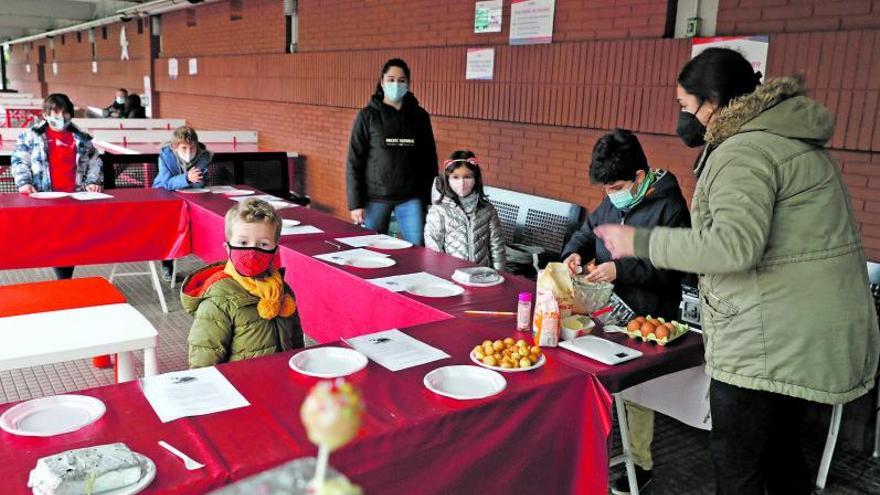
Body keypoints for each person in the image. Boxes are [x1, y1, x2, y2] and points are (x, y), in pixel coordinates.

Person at [594, 48, 880, 495]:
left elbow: (732, 246)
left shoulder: (743, 150)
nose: (684, 118)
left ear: (713, 102)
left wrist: (638, 242)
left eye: (686, 107)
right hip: (799, 331)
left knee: (738, 463)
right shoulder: (788, 139)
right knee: (781, 455)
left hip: (766, 337)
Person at [561, 129, 690, 494]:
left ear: (638, 177)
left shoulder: (670, 206)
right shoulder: (614, 202)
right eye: (605, 189)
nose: (611, 195)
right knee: (597, 376)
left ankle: (639, 464)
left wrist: (622, 269)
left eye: (616, 186)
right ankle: (594, 450)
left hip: (649, 312)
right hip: (608, 307)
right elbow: (589, 232)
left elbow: (672, 265)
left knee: (636, 394)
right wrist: (573, 252)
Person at [181, 198, 304, 368]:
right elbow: (204, 360)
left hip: (279, 379)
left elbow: (296, 340)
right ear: (228, 247)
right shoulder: (218, 300)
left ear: (275, 250)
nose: (252, 251)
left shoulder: (283, 290)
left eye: (263, 244)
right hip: (240, 386)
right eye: (243, 243)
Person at [11, 93, 103, 280]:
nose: (61, 117)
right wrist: (24, 182)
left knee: (68, 242)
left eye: (65, 112)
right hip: (44, 197)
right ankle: (60, 280)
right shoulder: (31, 136)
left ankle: (64, 280)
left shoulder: (81, 138)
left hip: (74, 197)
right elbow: (19, 160)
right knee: (50, 241)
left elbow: (94, 161)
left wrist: (93, 182)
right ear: (45, 114)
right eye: (55, 112)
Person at [346, 58, 438, 245]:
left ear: (408, 83)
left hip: (410, 198)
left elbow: (429, 160)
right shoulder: (367, 116)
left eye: (401, 80)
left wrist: (430, 199)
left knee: (418, 248)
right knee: (370, 248)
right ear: (382, 82)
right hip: (375, 199)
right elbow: (354, 161)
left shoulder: (419, 117)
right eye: (391, 79)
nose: (396, 84)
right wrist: (356, 204)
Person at [424, 151, 506, 270]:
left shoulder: (488, 210)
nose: (462, 183)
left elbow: (496, 246)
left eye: (467, 177)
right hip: (451, 276)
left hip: (482, 275)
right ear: (447, 179)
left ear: (476, 178)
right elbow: (433, 248)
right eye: (455, 177)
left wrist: (499, 274)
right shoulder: (439, 210)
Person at [153, 126, 213, 281]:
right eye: (184, 148)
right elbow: (165, 182)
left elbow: (199, 183)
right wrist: (186, 178)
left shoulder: (204, 156)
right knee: (168, 227)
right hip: (165, 196)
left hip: (192, 195)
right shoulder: (165, 156)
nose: (188, 151)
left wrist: (191, 180)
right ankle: (167, 263)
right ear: (175, 147)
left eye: (192, 147)